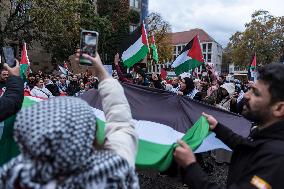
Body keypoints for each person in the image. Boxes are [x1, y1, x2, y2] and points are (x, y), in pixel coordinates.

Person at [0, 52, 139, 188]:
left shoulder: (17, 176)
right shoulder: (115, 168)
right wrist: (101, 70)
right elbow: (121, 121)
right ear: (92, 134)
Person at [174, 63, 284, 189]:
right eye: (250, 89)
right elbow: (247, 146)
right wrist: (217, 127)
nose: (246, 95)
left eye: (256, 93)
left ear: (279, 108)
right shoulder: (267, 134)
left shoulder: (277, 159)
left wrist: (190, 167)